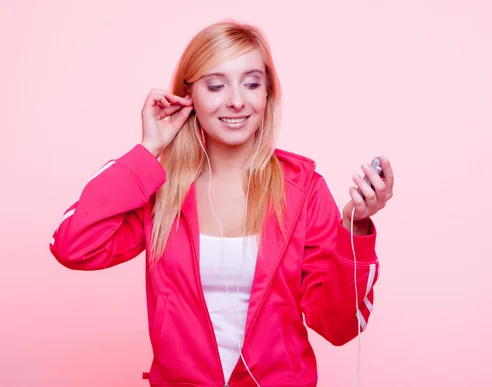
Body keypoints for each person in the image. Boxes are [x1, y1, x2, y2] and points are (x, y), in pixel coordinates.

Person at [49, 20, 394, 387]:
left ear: (267, 95)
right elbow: (73, 246)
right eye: (216, 85)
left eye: (252, 83)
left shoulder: (303, 188)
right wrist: (147, 151)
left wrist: (354, 228)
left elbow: (339, 327)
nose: (236, 100)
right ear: (188, 95)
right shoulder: (159, 188)